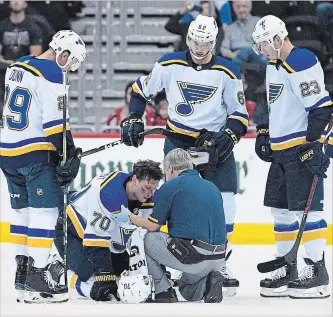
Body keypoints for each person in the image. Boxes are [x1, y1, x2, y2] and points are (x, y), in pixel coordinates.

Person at [120, 14, 248, 296]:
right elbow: (140, 90)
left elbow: (239, 116)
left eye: (205, 43)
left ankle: (219, 261)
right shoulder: (169, 63)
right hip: (178, 142)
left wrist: (226, 137)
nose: (199, 48)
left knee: (224, 199)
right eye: (194, 41)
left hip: (213, 143)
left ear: (214, 42)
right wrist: (134, 116)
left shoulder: (228, 71)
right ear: (188, 38)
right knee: (175, 200)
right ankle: (179, 258)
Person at [0, 30, 86, 303]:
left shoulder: (18, 65)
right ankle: (39, 276)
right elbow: (55, 124)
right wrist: (69, 154)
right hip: (36, 154)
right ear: (62, 54)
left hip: (8, 151)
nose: (70, 69)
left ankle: (23, 276)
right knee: (46, 214)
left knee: (21, 214)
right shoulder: (52, 73)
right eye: (71, 62)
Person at [252, 15, 332, 299]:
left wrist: (314, 144)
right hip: (281, 150)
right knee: (281, 212)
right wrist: (264, 131)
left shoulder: (301, 61)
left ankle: (317, 271)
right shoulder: (273, 65)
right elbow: (274, 102)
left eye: (263, 44)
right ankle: (289, 267)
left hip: (300, 147)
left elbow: (322, 108)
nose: (259, 50)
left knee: (307, 212)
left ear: (276, 39)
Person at [53, 160, 163, 302]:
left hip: (108, 243)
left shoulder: (149, 197)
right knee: (97, 285)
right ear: (134, 179)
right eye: (146, 188)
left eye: (153, 189)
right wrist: (104, 274)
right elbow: (95, 241)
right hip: (70, 233)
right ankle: (57, 271)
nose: (149, 193)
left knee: (126, 278)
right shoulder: (108, 192)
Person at [129, 149, 227, 303]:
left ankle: (163, 291)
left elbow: (153, 226)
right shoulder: (212, 186)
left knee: (144, 238)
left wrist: (132, 218)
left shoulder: (171, 186)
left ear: (171, 170)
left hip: (194, 255)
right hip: (219, 259)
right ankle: (210, 281)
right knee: (188, 292)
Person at [0, 0, 43, 114]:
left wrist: (18, 63)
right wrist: (6, 63)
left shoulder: (32, 27)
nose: (16, 2)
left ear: (25, 4)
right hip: (5, 71)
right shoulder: (3, 26)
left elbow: (35, 54)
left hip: (25, 70)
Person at [221, 0, 267, 66]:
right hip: (237, 58)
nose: (241, 10)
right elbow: (223, 48)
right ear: (234, 8)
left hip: (256, 57)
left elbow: (265, 44)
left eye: (244, 6)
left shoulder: (259, 22)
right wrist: (232, 55)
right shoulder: (230, 28)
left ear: (250, 7)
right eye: (238, 7)